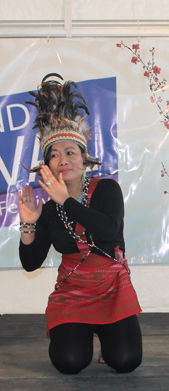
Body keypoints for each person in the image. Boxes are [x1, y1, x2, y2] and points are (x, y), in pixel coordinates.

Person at [19, 73, 142, 375]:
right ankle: (80, 333)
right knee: (70, 363)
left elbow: (108, 232)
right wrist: (28, 226)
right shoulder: (48, 210)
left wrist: (66, 201)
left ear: (84, 158)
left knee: (125, 362)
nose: (63, 160)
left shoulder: (107, 190)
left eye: (70, 152)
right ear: (46, 166)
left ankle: (108, 338)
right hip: (73, 290)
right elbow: (31, 264)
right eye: (54, 155)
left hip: (112, 286)